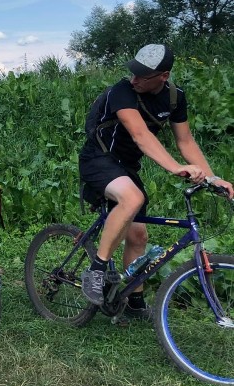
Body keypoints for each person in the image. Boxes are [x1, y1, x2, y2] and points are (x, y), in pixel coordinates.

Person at [79, 44, 233, 318]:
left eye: (143, 76)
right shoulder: (122, 91)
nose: (134, 79)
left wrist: (212, 178)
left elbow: (185, 141)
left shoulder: (174, 98)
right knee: (133, 198)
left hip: (126, 167)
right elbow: (140, 135)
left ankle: (133, 302)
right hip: (98, 159)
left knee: (138, 236)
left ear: (163, 75)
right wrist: (174, 167)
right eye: (133, 73)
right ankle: (96, 269)